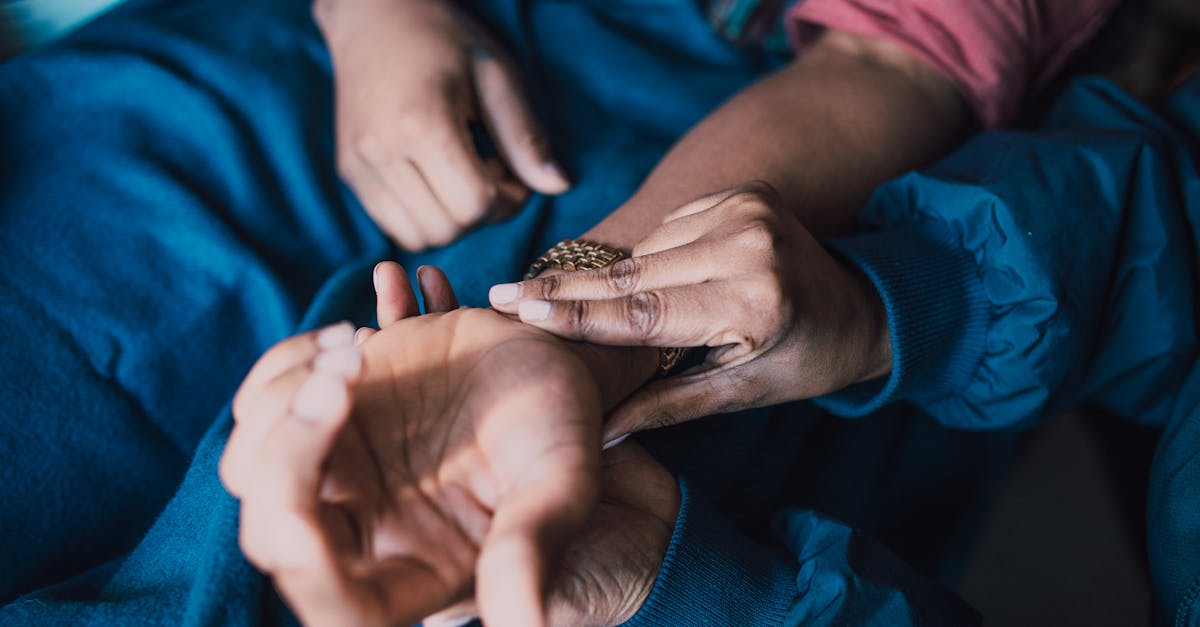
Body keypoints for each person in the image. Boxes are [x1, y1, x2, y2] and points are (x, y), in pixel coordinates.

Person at [0, 0, 1141, 624]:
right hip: (232, 100)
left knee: (364, 522)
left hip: (679, 141)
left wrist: (568, 329)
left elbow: (899, 63)